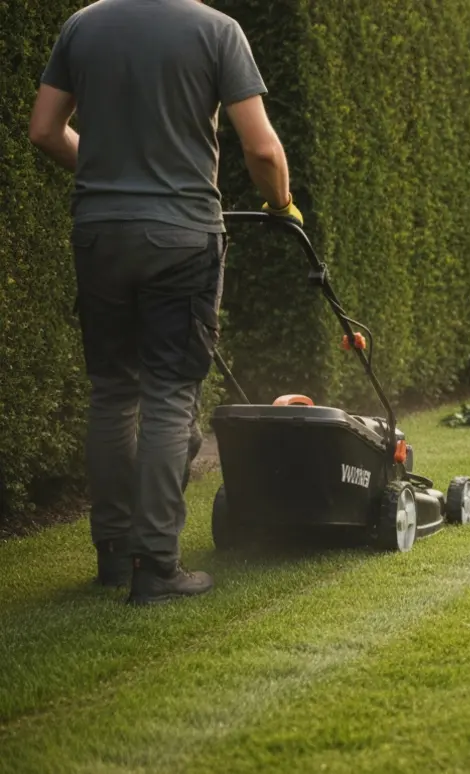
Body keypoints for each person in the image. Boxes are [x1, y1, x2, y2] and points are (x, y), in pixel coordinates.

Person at [28, 0, 302, 604]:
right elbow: (262, 150)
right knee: (169, 394)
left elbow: (44, 129)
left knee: (112, 392)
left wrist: (102, 172)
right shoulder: (216, 31)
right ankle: (155, 565)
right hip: (181, 237)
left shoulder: (83, 24)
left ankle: (111, 553)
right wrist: (281, 204)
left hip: (99, 233)